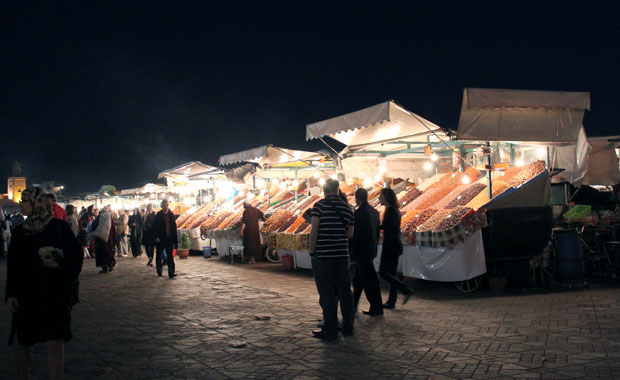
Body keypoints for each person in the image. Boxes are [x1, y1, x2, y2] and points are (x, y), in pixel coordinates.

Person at [5, 187, 83, 380]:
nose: (21, 205)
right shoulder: (20, 233)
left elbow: (76, 256)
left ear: (37, 204)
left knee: (54, 342)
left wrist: (58, 263)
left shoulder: (58, 228)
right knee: (20, 343)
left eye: (25, 201)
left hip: (53, 294)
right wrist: (11, 294)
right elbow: (13, 267)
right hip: (26, 295)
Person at [309, 179, 355, 340]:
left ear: (324, 190)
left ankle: (331, 330)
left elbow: (314, 230)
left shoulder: (319, 206)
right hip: (342, 256)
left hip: (324, 256)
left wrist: (312, 250)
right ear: (337, 189)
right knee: (345, 293)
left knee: (327, 293)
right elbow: (350, 234)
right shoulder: (347, 208)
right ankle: (349, 327)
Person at [350, 188, 383, 316]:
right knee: (358, 280)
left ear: (357, 198)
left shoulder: (359, 213)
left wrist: (352, 251)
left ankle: (376, 307)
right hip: (370, 250)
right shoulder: (374, 212)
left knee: (369, 281)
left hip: (361, 252)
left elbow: (356, 234)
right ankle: (353, 306)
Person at [378, 188, 412, 309]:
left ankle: (405, 289)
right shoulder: (393, 210)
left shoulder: (391, 211)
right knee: (391, 273)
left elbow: (388, 228)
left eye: (380, 196)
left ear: (386, 197)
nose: (378, 198)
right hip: (395, 245)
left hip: (391, 245)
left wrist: (376, 226)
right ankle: (391, 301)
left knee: (383, 272)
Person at [153, 199, 178, 278]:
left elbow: (174, 226)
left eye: (167, 205)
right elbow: (154, 227)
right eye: (164, 205)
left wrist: (175, 238)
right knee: (159, 255)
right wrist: (156, 236)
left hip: (169, 238)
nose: (166, 207)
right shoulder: (158, 215)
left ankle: (171, 272)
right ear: (161, 206)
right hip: (161, 238)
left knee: (170, 256)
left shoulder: (171, 214)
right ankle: (159, 271)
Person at [90, 206, 116, 273]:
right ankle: (110, 265)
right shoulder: (110, 217)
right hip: (109, 239)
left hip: (100, 239)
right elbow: (113, 229)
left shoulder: (99, 217)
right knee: (109, 252)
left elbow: (94, 225)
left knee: (101, 253)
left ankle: (104, 268)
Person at [240, 199, 264, 264]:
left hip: (248, 231)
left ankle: (251, 259)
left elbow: (244, 222)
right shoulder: (255, 210)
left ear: (246, 204)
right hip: (255, 230)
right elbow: (262, 214)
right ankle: (254, 258)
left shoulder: (245, 212)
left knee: (249, 244)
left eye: (243, 204)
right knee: (255, 244)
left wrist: (242, 230)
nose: (243, 205)